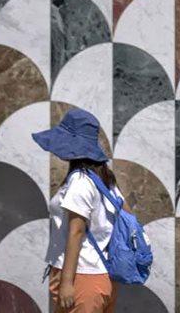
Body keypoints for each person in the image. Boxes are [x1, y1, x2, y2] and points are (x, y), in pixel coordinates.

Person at [32, 108, 131, 313]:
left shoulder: (80, 181)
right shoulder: (105, 179)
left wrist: (67, 283)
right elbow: (127, 215)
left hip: (81, 277)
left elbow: (76, 231)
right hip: (102, 277)